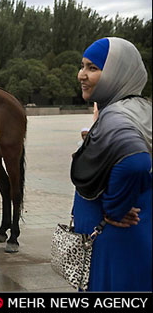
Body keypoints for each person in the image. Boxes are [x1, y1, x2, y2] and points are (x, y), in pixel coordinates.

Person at [70, 37, 151, 292]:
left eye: (93, 68)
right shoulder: (138, 108)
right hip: (133, 236)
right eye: (82, 66)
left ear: (118, 73)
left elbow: (135, 162)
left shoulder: (115, 117)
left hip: (111, 240)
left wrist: (115, 207)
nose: (82, 75)